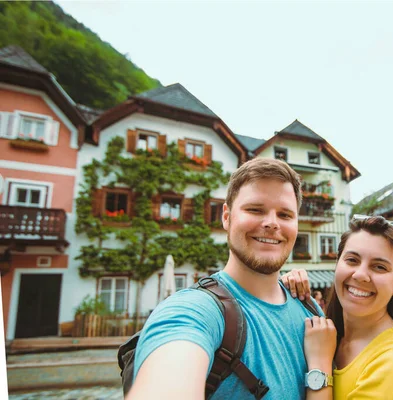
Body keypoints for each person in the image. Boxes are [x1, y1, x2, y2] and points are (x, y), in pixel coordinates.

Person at [127, 158, 324, 400]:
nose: (272, 223)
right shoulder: (194, 311)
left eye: (284, 214)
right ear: (227, 217)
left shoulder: (310, 309)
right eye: (255, 210)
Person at [283, 215, 393, 399]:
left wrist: (319, 366)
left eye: (379, 267)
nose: (360, 275)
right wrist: (283, 291)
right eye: (352, 260)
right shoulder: (329, 338)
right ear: (337, 264)